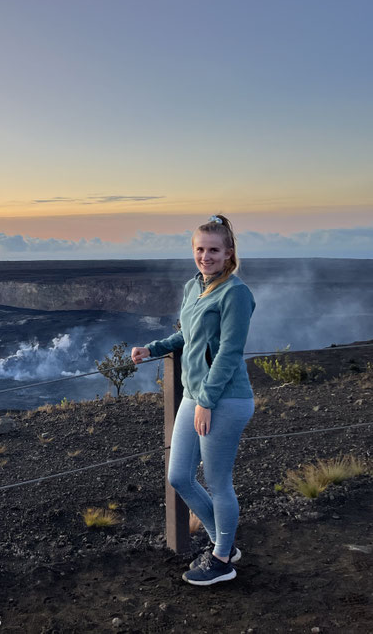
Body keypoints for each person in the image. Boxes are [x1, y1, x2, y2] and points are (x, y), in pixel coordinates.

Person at [131, 214, 255, 586]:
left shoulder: (235, 293)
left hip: (224, 399)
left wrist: (206, 401)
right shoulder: (193, 286)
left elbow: (230, 353)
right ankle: (225, 544)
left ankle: (221, 559)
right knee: (179, 475)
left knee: (218, 482)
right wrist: (152, 348)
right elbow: (187, 336)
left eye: (214, 250)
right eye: (200, 249)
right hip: (197, 397)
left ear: (229, 253)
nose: (206, 256)